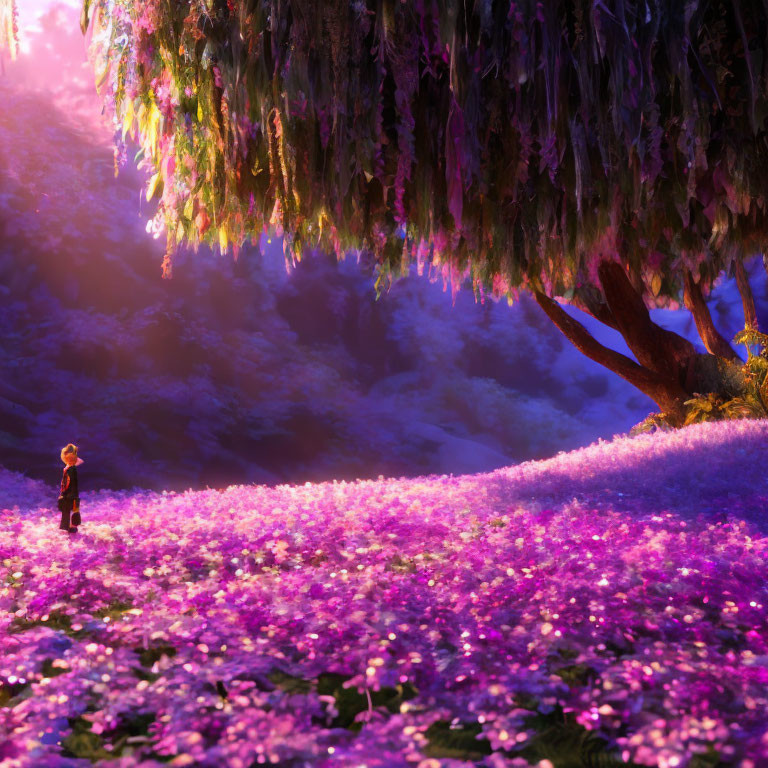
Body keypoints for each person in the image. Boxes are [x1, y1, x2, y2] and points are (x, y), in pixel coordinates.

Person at [58, 443, 83, 534]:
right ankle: (72, 528)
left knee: (69, 511)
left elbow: (67, 483)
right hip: (73, 494)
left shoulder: (70, 469)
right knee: (74, 510)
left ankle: (70, 528)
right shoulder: (71, 468)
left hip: (69, 494)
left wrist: (63, 494)